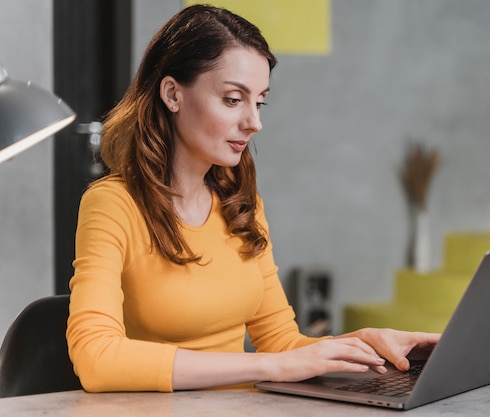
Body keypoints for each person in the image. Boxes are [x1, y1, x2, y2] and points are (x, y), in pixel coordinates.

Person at [66, 4, 440, 393]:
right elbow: (98, 360)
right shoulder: (113, 205)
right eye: (233, 99)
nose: (254, 122)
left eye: (259, 101)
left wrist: (364, 344)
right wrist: (269, 365)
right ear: (173, 93)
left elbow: (282, 344)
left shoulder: (240, 203)